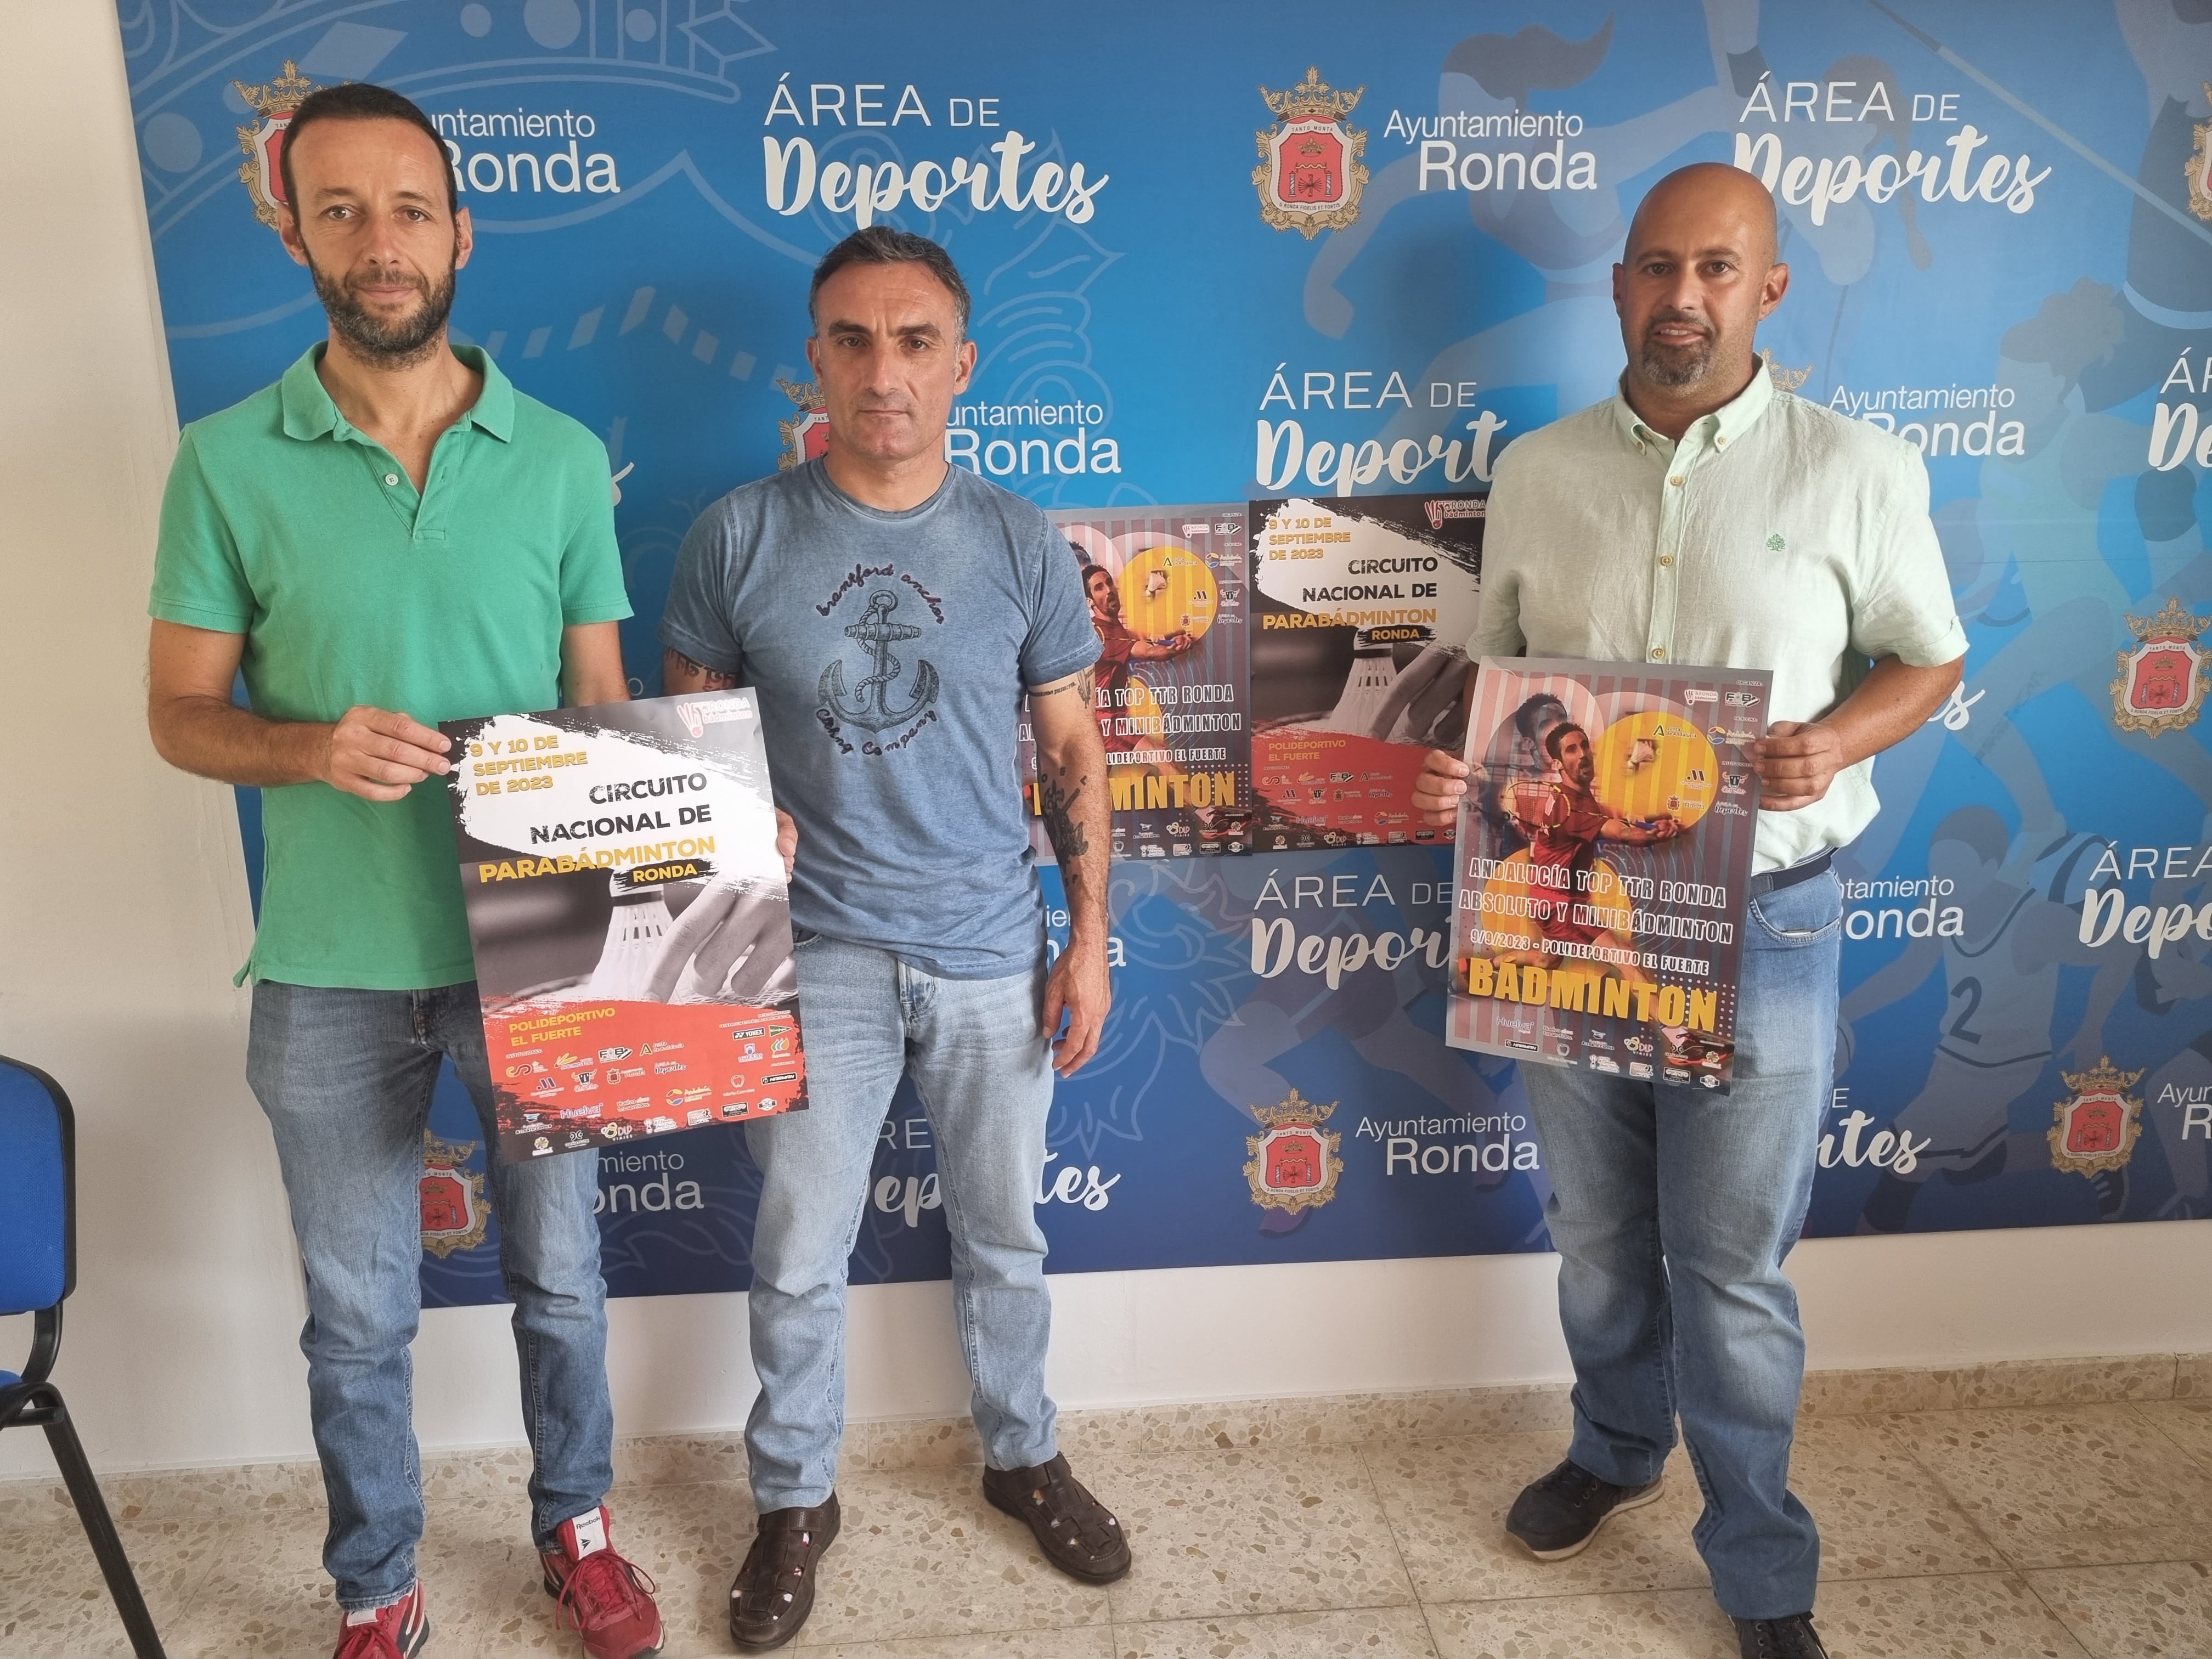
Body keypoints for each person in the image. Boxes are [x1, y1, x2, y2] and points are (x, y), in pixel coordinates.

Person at [1414, 162, 1966, 1659]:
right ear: (1620, 286)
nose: (1685, 296)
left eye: (1719, 269)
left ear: (1769, 289)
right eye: (1659, 267)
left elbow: (1930, 657)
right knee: (1597, 1237)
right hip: (1566, 917)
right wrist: (1466, 772)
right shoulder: (1535, 472)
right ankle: (1611, 1448)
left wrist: (1834, 742)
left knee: (1728, 1264)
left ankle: (1763, 1567)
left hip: (1766, 918)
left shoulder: (1859, 469)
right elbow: (1501, 687)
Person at [144, 83, 662, 1659]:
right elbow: (178, 717)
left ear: (461, 228)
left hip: (545, 942)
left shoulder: (563, 458)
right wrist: (308, 750)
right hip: (325, 960)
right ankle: (378, 1583)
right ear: (289, 228)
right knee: (358, 1316)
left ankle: (577, 1525)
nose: (382, 243)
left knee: (560, 1280)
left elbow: (598, 708)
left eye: (410, 209)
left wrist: (699, 825)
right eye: (343, 210)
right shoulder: (225, 465)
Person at [660, 225, 1127, 1652]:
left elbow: (1071, 748)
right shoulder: (737, 534)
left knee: (1006, 1236)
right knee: (799, 1248)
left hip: (993, 944)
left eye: (915, 341)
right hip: (811, 959)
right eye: (854, 340)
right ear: (815, 357)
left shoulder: (1013, 539)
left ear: (962, 364)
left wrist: (1091, 933)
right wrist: (735, 815)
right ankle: (796, 1498)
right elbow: (686, 741)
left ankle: (1021, 1455)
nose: (884, 371)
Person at [1505, 721, 1680, 956]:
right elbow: (1624, 834)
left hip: (1547, 899)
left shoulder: (1569, 797)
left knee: (1546, 961)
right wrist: (1654, 834)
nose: (1583, 755)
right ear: (1557, 764)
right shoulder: (1570, 810)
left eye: (1584, 746)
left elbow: (1610, 814)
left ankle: (1485, 966)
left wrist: (1654, 817)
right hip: (1561, 905)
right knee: (1624, 955)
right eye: (1571, 750)